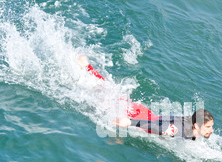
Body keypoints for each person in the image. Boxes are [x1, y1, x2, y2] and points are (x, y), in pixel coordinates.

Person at [77, 55, 214, 140]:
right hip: (138, 118)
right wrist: (130, 122)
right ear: (196, 125)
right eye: (208, 127)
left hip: (145, 112)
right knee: (100, 97)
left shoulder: (191, 123)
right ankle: (84, 69)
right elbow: (156, 127)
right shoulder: (178, 130)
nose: (211, 130)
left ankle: (87, 68)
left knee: (109, 92)